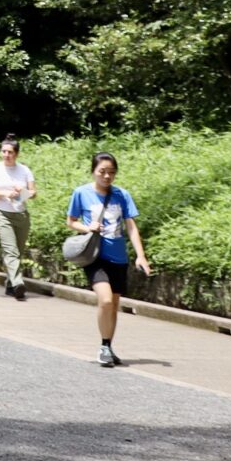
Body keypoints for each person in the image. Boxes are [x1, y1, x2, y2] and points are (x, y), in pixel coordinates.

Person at [68, 153, 151, 367]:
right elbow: (71, 222)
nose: (107, 176)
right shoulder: (82, 193)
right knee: (104, 300)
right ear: (93, 171)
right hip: (95, 256)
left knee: (113, 305)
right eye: (102, 172)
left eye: (111, 172)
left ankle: (108, 345)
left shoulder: (122, 195)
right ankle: (104, 347)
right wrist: (88, 227)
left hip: (119, 257)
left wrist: (140, 256)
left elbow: (131, 226)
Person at [0, 135, 36, 299]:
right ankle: (19, 283)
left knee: (18, 251)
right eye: (3, 151)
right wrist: (5, 193)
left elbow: (33, 194)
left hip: (21, 215)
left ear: (16, 153)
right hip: (2, 213)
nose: (6, 155)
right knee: (10, 250)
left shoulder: (24, 170)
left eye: (10, 152)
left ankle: (10, 285)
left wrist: (21, 192)